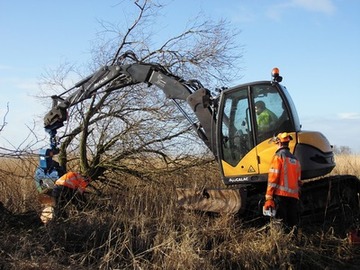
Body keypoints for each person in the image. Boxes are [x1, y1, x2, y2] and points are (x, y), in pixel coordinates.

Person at [263, 132, 302, 231]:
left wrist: (269, 197)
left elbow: (273, 178)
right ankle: (294, 240)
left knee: (280, 222)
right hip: (293, 197)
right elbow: (299, 182)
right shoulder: (296, 160)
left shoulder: (278, 157)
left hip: (281, 196)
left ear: (279, 143)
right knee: (292, 222)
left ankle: (283, 243)